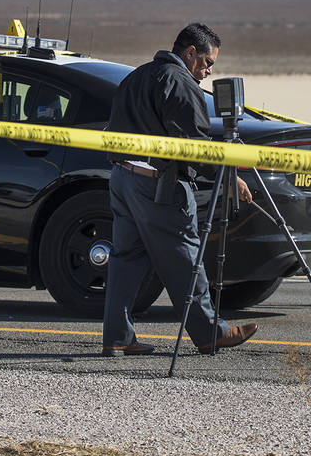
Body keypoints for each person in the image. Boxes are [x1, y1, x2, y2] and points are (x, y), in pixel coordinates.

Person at [102, 23, 258, 356]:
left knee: (125, 260)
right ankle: (210, 333)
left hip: (122, 179)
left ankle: (117, 336)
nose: (209, 70)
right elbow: (195, 146)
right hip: (158, 184)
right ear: (189, 53)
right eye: (206, 62)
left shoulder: (136, 77)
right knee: (186, 256)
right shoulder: (180, 83)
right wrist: (229, 176)